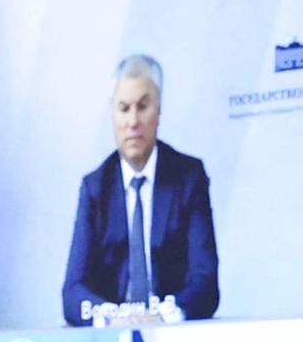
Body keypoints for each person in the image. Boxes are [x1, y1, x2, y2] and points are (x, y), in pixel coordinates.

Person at [58, 55, 220, 325]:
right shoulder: (96, 187)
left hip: (174, 337)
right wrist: (114, 318)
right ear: (112, 115)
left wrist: (161, 316)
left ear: (158, 111)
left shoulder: (188, 178)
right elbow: (73, 291)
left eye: (143, 106)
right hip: (112, 341)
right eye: (123, 108)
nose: (133, 121)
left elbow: (205, 282)